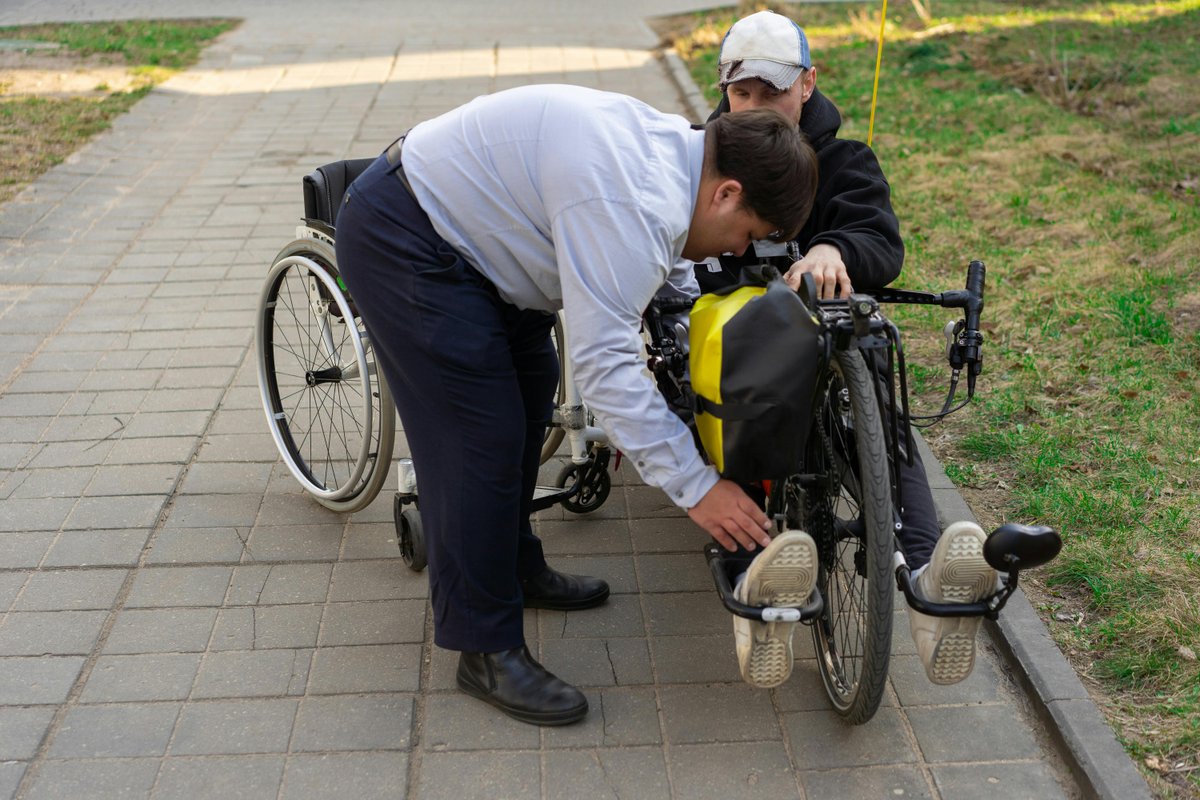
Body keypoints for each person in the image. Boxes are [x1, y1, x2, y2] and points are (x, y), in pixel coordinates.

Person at [333, 84, 819, 726]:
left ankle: (513, 567)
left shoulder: (683, 158)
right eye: (746, 235)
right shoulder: (630, 198)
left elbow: (659, 259)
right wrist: (697, 488)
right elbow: (606, 369)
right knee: (478, 439)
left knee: (530, 392)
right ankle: (483, 647)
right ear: (727, 193)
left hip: (483, 246)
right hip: (407, 235)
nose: (735, 252)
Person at [699, 10, 998, 688]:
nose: (755, 108)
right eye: (740, 93)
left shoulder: (843, 160)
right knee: (722, 369)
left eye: (772, 92)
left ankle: (928, 575)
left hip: (823, 341)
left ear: (807, 85)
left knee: (876, 364)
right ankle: (751, 578)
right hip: (735, 354)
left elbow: (878, 239)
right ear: (724, 92)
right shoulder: (704, 156)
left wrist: (834, 247)